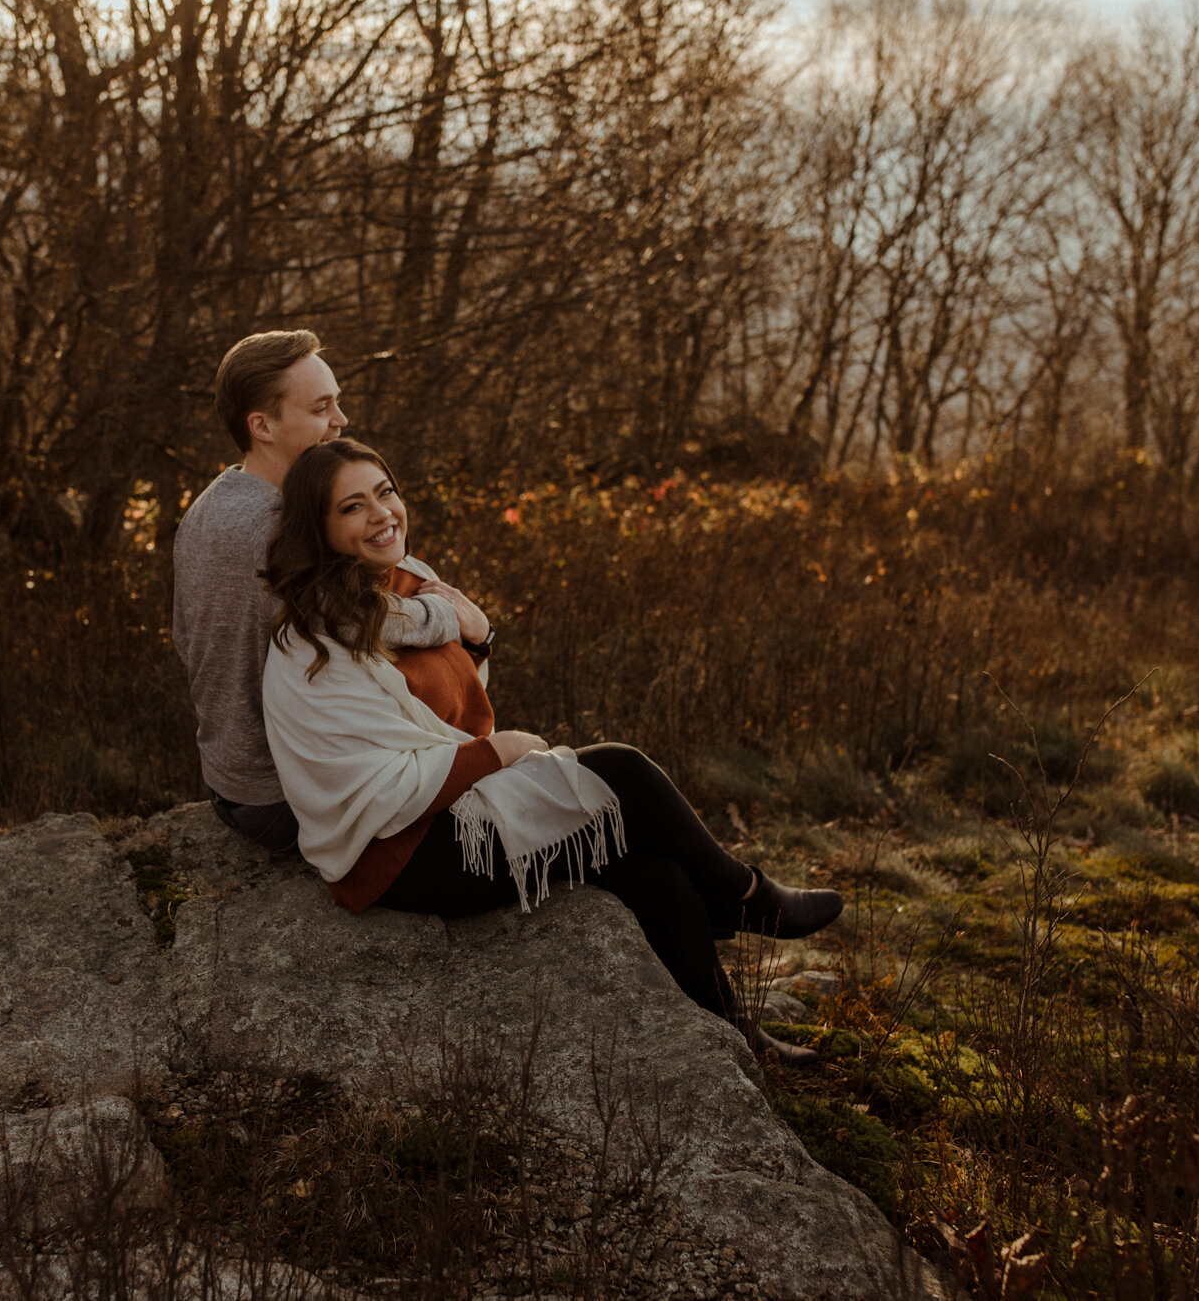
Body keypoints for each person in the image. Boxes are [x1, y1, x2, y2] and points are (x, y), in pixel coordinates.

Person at [260, 439, 842, 1062]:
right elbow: (372, 785)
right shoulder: (311, 646)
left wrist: (478, 642)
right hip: (399, 854)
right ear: (320, 530)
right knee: (619, 769)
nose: (382, 514)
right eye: (353, 507)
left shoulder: (410, 592)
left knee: (653, 870)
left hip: (454, 810)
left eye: (385, 492)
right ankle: (745, 896)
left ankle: (736, 1037)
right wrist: (498, 754)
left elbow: (439, 708)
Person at [172, 331, 460, 854]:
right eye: (322, 407)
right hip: (285, 796)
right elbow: (361, 621)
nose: (341, 420)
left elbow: (184, 641)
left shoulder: (211, 504)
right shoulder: (282, 528)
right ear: (262, 426)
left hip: (227, 777)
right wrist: (448, 613)